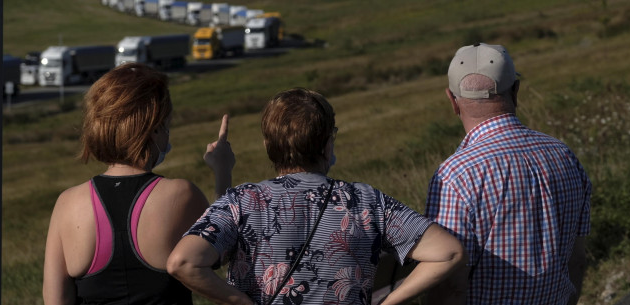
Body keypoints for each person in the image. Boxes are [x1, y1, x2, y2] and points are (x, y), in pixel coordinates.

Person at [167, 87, 465, 305]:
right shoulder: (365, 201)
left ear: (268, 146)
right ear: (326, 145)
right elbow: (447, 252)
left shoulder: (244, 201)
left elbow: (183, 262)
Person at [43, 63, 235, 305]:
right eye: (167, 125)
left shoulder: (67, 204)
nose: (167, 134)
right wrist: (223, 171)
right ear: (153, 129)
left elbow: (55, 299)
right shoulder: (180, 195)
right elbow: (226, 248)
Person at [425, 43, 593, 305]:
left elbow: (450, 283)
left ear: (452, 101)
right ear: (515, 92)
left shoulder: (455, 175)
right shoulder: (563, 154)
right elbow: (577, 260)